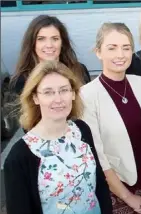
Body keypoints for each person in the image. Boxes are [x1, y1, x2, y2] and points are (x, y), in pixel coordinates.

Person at [4, 61, 113, 214]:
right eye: (48, 92)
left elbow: (99, 180)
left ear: (74, 94)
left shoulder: (82, 130)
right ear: (35, 97)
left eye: (64, 90)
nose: (58, 99)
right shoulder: (19, 156)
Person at [80, 22, 141, 214]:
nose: (120, 54)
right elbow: (98, 154)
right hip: (118, 193)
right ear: (98, 52)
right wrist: (127, 197)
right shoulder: (87, 94)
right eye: (112, 48)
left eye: (126, 47)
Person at [2, 15, 92, 164]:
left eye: (55, 39)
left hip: (83, 143)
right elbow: (28, 124)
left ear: (62, 42)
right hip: (46, 154)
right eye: (41, 39)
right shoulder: (22, 81)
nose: (49, 45)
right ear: (32, 43)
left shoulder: (79, 71)